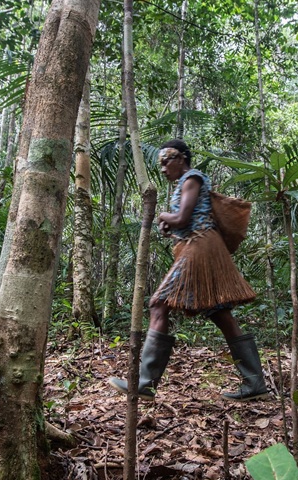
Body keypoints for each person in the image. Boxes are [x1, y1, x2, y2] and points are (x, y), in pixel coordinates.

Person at [108, 139, 270, 401]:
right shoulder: (186, 183)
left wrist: (162, 216)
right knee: (221, 314)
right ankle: (255, 384)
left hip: (200, 247)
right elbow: (183, 220)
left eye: (166, 161)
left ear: (181, 158)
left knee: (158, 304)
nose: (162, 168)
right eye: (159, 163)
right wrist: (169, 225)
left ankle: (144, 383)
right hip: (200, 247)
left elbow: (183, 217)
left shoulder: (191, 179)